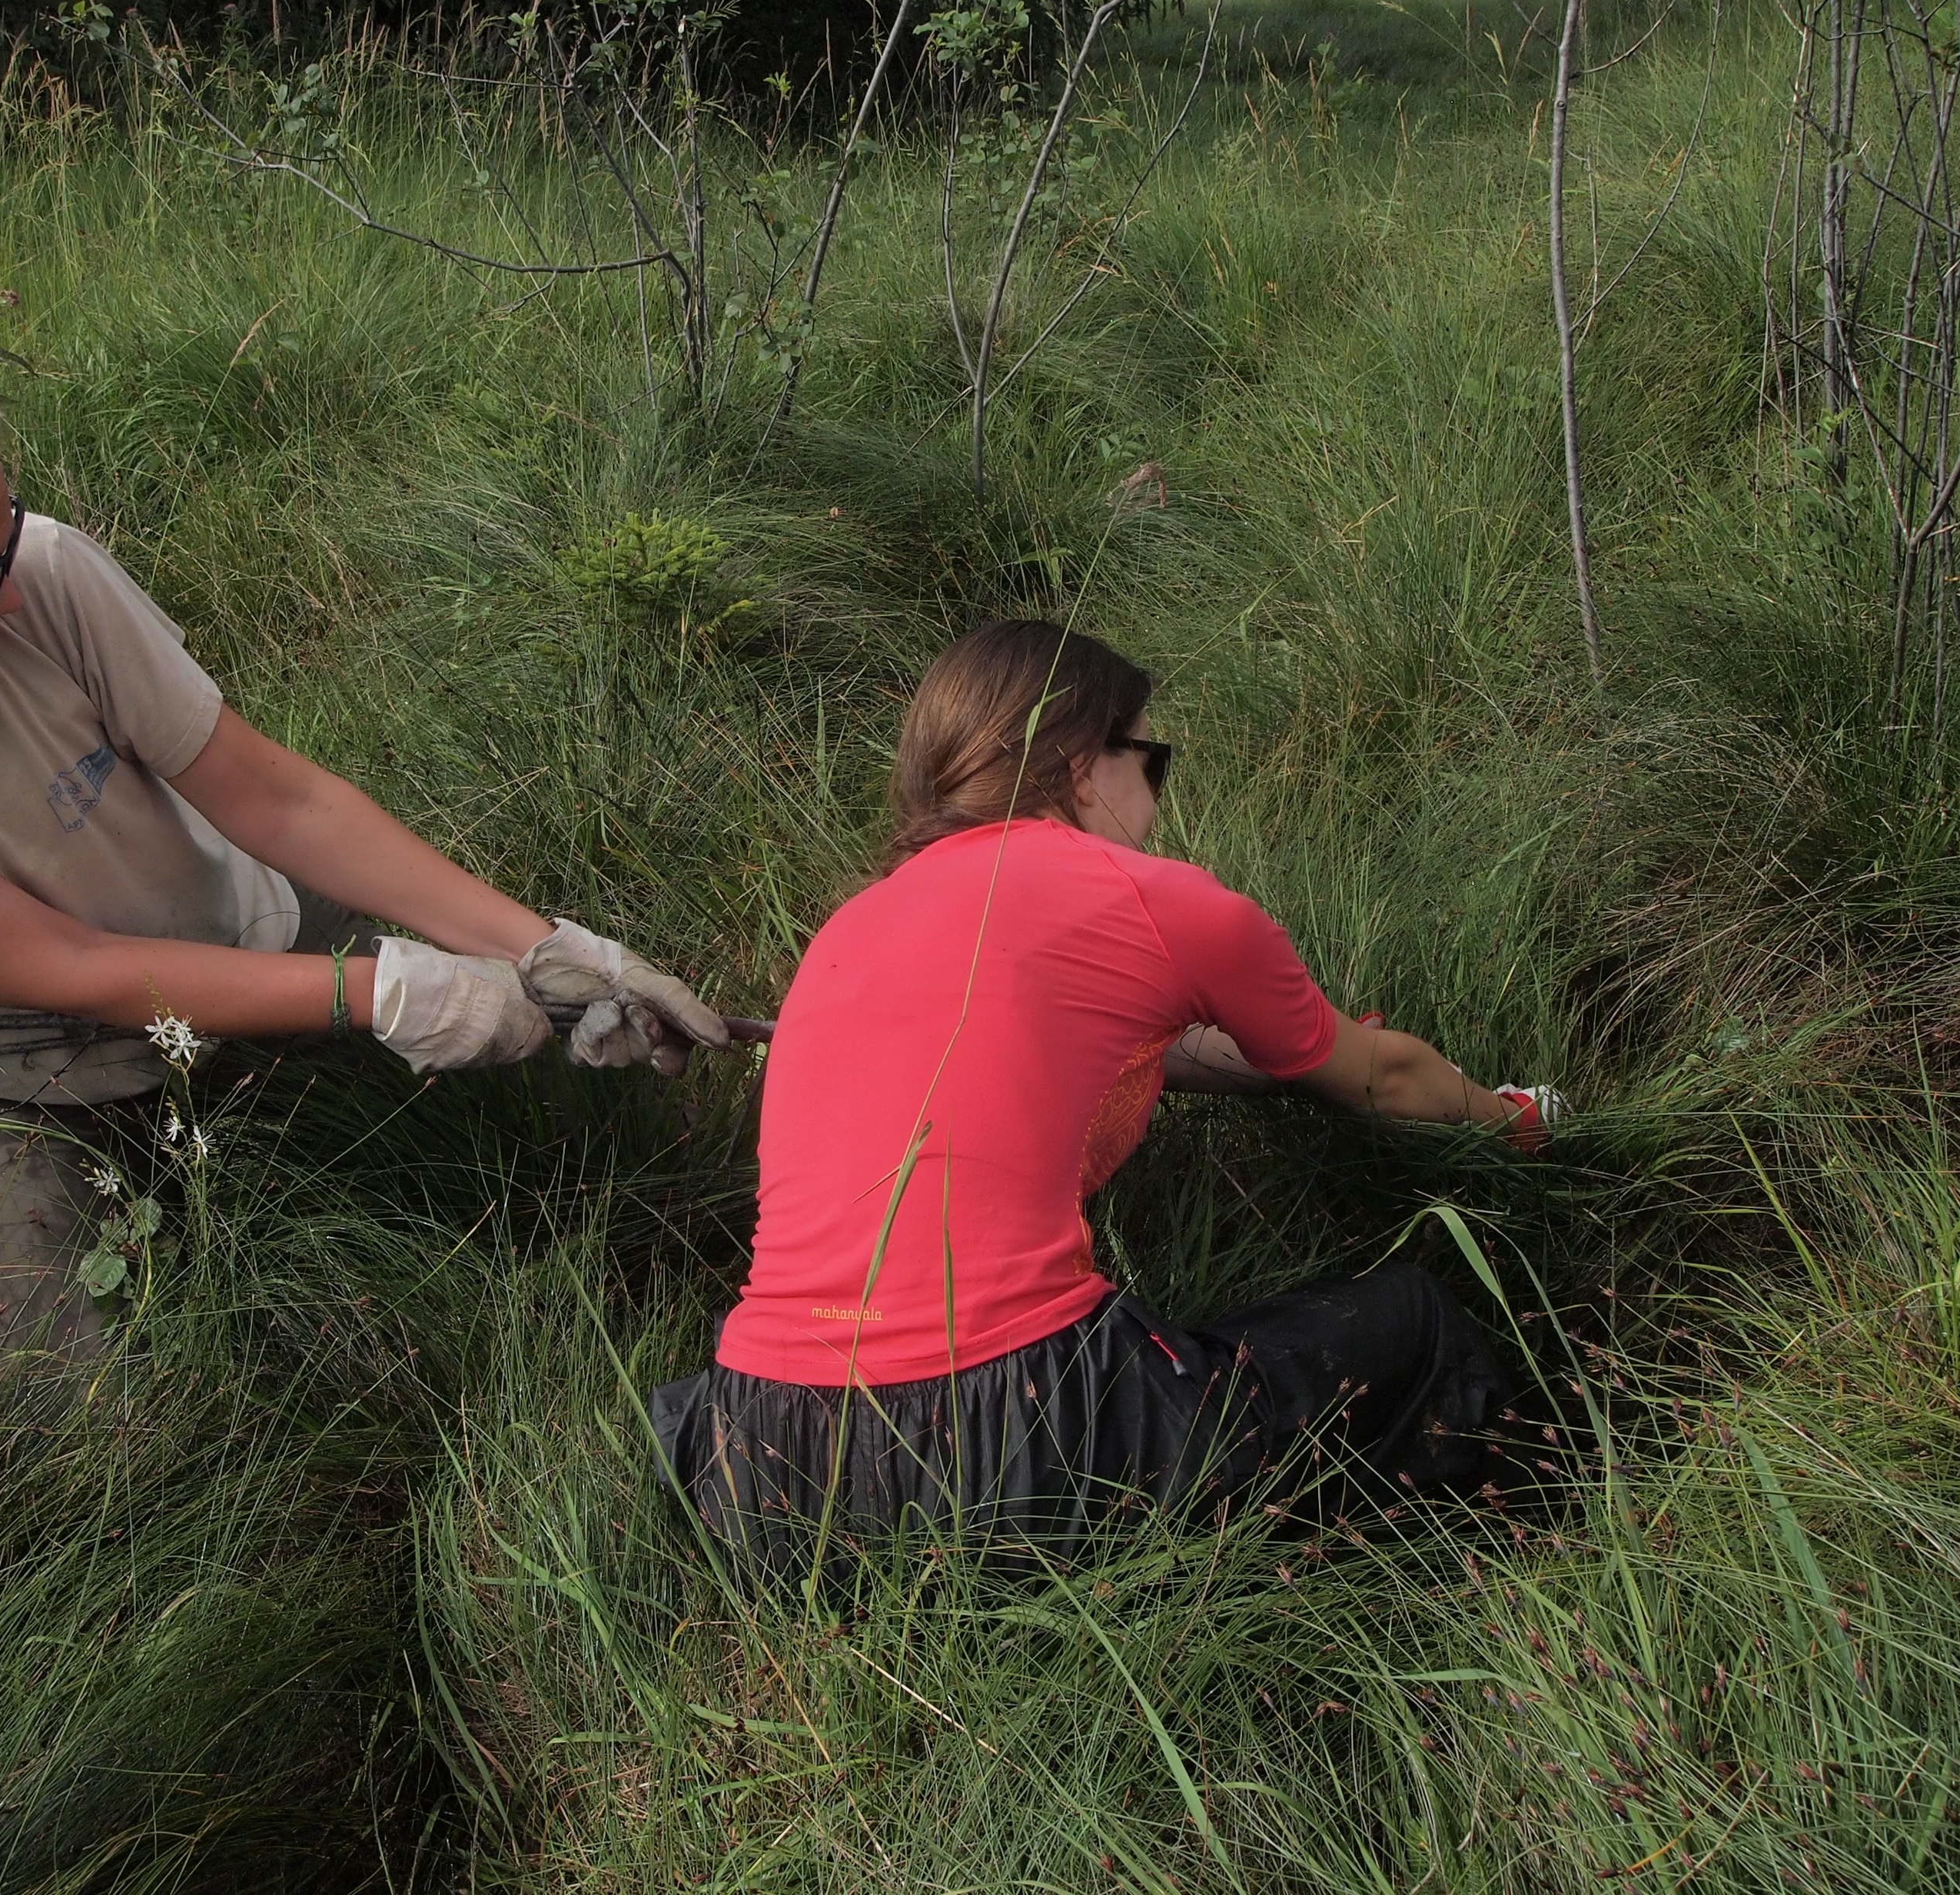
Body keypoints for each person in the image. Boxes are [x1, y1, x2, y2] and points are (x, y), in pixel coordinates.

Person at [0, 327, 726, 1375]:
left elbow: (278, 800)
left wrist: (547, 949)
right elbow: (79, 973)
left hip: (237, 928)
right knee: (97, 1418)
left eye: (5, 543)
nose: (10, 598)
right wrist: (383, 993)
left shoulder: (43, 574)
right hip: (21, 1083)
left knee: (541, 1122)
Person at [650, 619, 1566, 1575]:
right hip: (1009, 1441)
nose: (1156, 799)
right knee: (1412, 1321)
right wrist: (1515, 1120)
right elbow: (1385, 1076)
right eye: (1151, 760)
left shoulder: (851, 922)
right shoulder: (1154, 897)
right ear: (1084, 762)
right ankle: (1511, 1556)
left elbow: (1109, 1050)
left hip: (759, 1463)